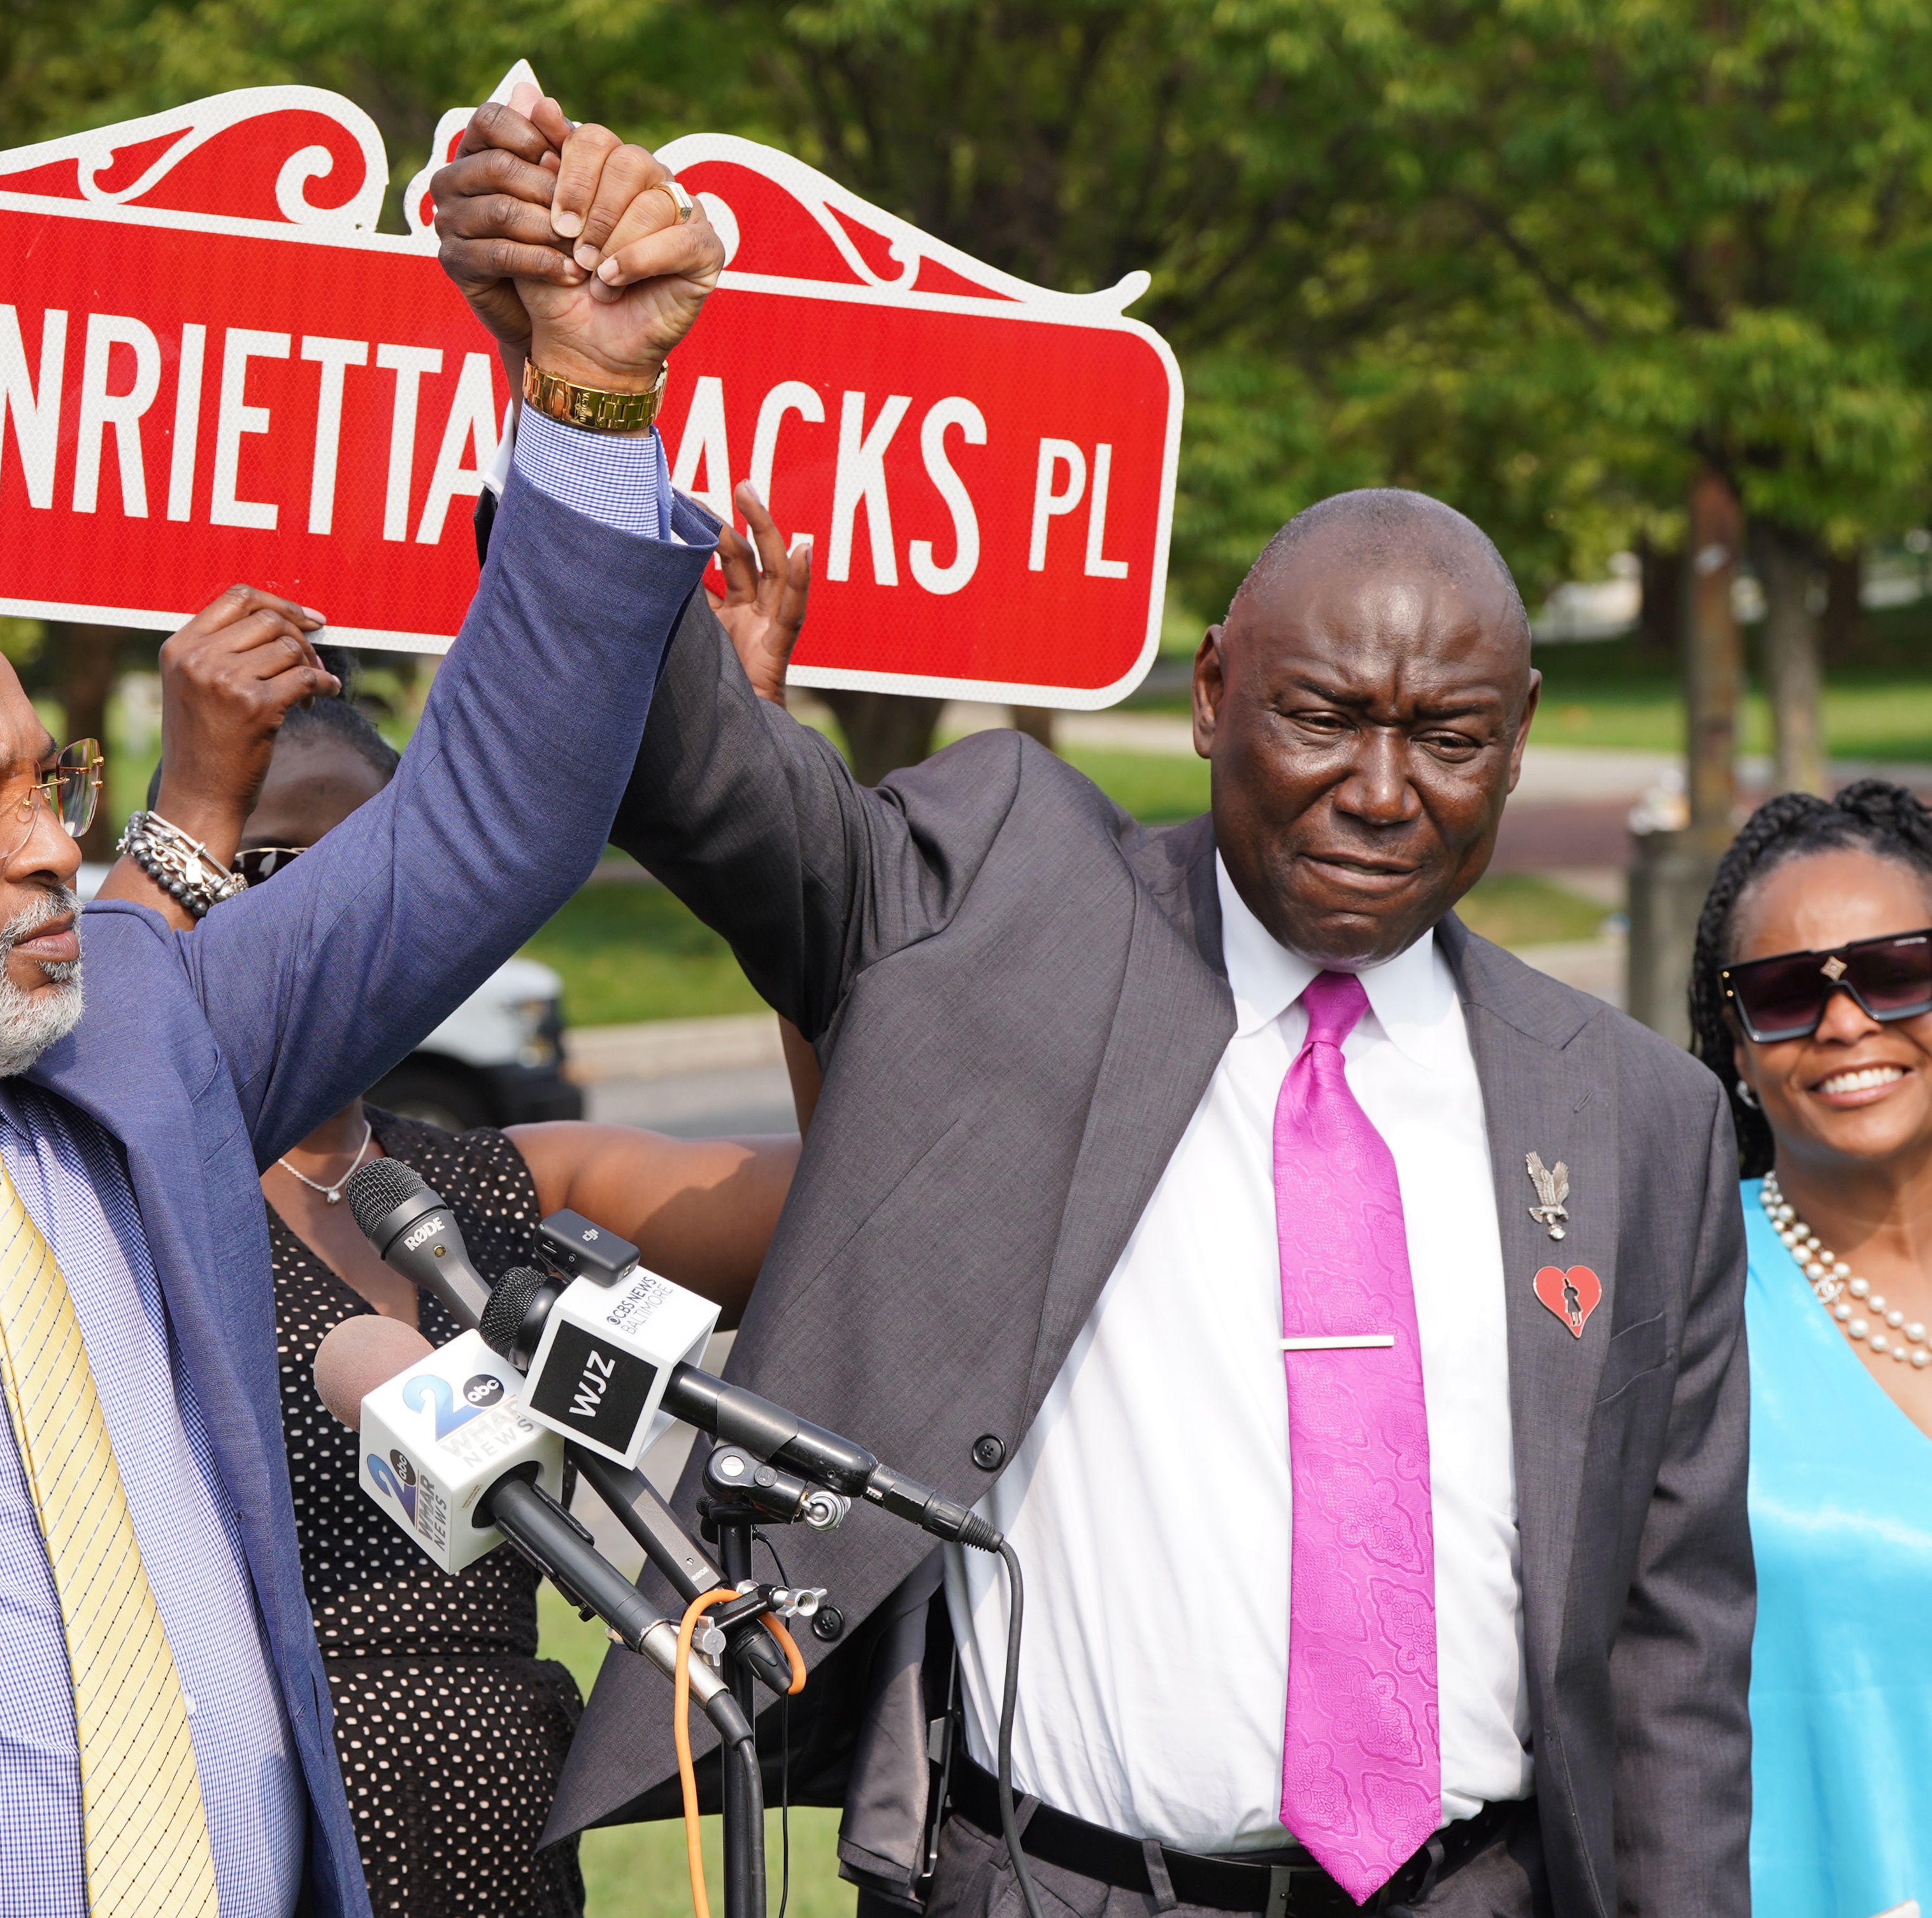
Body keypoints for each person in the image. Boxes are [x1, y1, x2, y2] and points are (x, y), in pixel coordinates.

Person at [443, 100, 1748, 1915]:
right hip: (1061, 1884)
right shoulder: (1005, 903)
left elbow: (1670, 1640)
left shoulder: (1633, 1114)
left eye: (1446, 739)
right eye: (1320, 718)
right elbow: (707, 790)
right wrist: (589, 399)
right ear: (1212, 694)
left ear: (1513, 745)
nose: (1380, 790)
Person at [0, 155, 729, 1918]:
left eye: (45, 782)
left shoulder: (135, 1040)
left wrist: (585, 395)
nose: (56, 841)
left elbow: (491, 821)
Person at [117, 594, 807, 1916]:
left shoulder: (505, 1178)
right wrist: (190, 794)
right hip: (262, 1837)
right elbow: (102, 1037)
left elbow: (847, 1198)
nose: (318, 915)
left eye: (364, 867)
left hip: (502, 1836)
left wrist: (768, 810)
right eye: (264, 867)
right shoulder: (115, 1184)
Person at [1687, 781, 1932, 1914]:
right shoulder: (1677, 1304)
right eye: (1783, 993)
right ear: (1735, 1047)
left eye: (1897, 970)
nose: (1844, 1023)